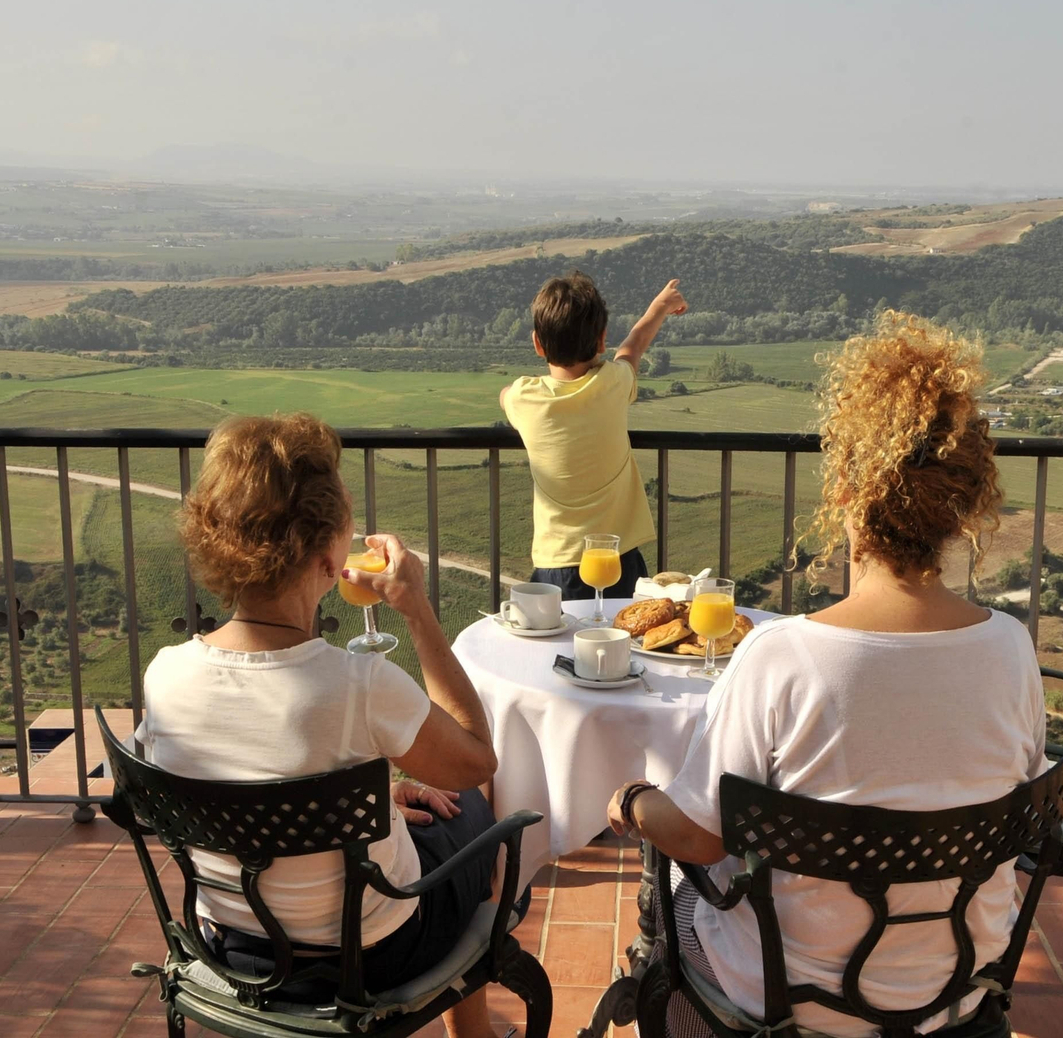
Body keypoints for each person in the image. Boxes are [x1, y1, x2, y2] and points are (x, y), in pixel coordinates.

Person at [607, 314, 1048, 1038]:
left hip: (791, 1003)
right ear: (963, 503)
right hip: (957, 992)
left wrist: (628, 799)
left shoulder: (784, 656)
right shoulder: (1009, 649)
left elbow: (697, 837)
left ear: (844, 487)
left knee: (677, 894)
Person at [138, 413, 507, 1038]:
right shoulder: (358, 684)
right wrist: (415, 607)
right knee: (473, 812)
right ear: (328, 551)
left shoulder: (166, 675)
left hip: (234, 945)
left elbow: (236, 776)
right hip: (372, 953)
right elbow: (476, 758)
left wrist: (371, 802)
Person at [500, 271, 687, 600]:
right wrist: (659, 307)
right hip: (619, 558)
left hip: (557, 565)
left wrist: (509, 395)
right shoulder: (612, 383)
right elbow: (632, 349)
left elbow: (505, 396)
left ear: (537, 343)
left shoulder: (524, 398)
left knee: (558, 650)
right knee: (626, 645)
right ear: (601, 340)